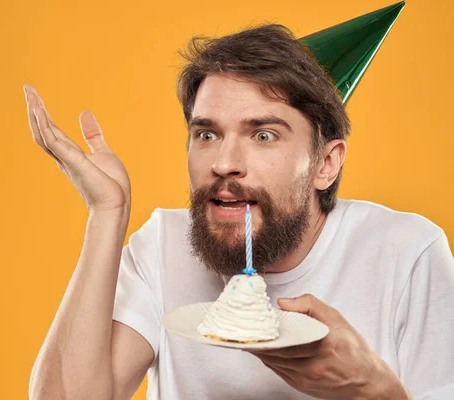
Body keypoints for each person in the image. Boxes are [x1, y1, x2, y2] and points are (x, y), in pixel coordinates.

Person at [25, 24, 454, 400]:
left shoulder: (407, 252)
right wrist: (107, 214)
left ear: (326, 163)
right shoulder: (162, 247)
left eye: (263, 135)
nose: (224, 162)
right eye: (207, 133)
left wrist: (373, 390)